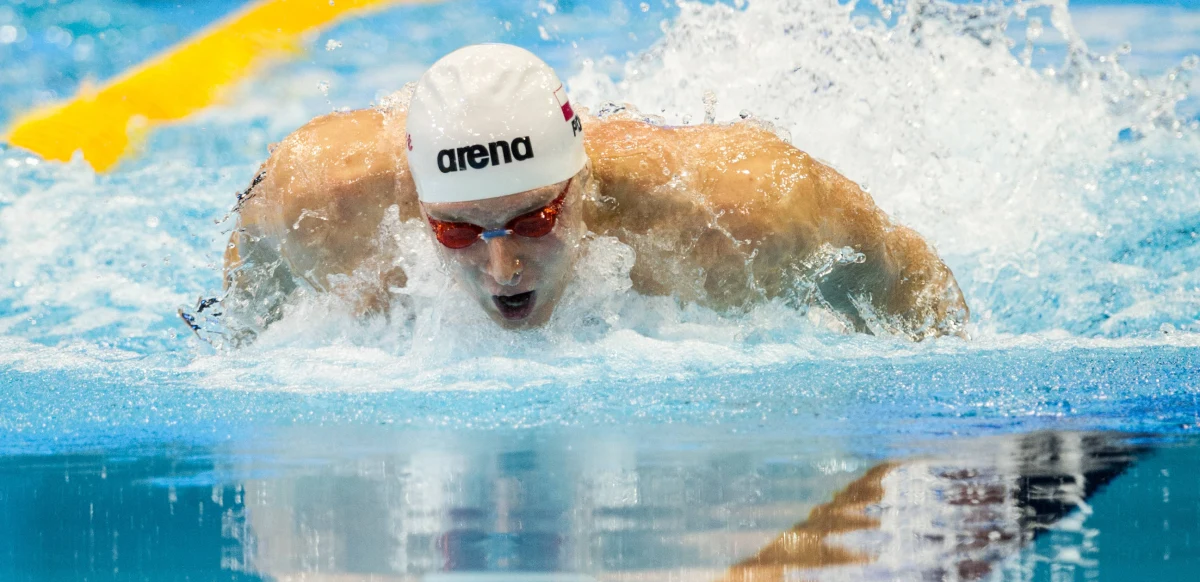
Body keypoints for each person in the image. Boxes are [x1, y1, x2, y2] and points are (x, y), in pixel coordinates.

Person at [221, 43, 968, 340]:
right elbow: (243, 317)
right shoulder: (317, 200)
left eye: (536, 218)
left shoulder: (739, 212)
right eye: (455, 232)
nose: (503, 267)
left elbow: (906, 276)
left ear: (579, 184)